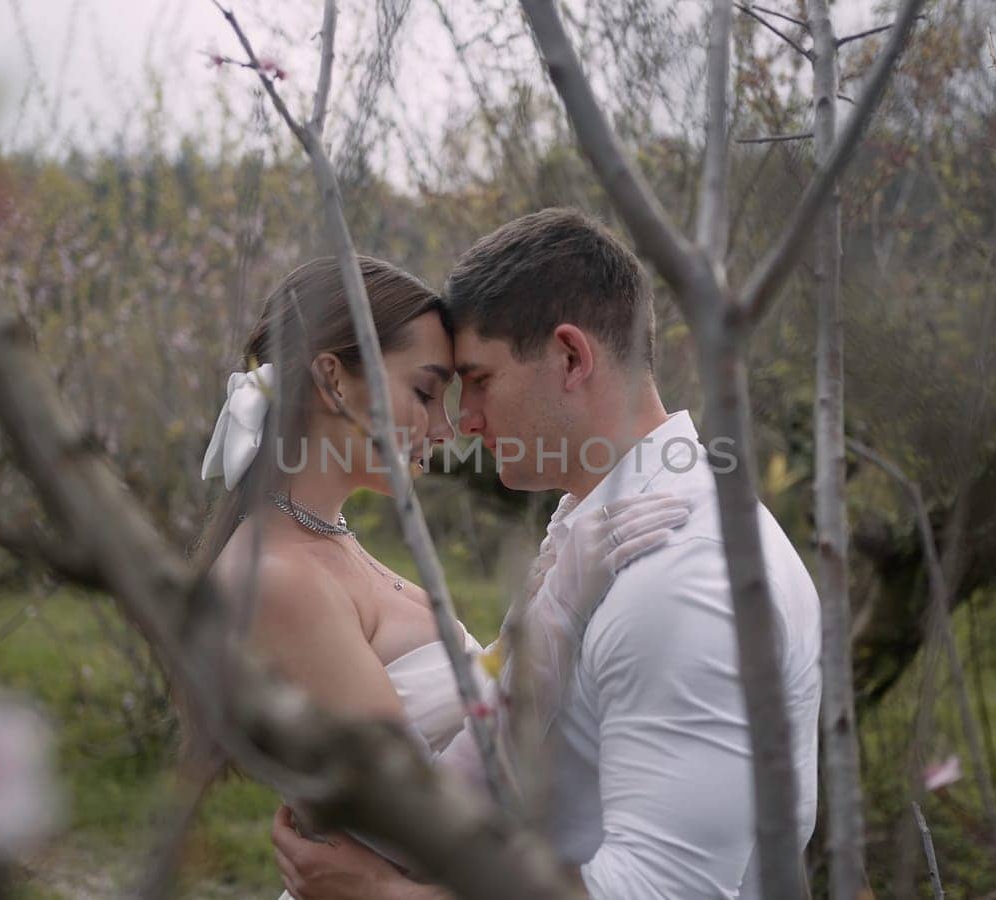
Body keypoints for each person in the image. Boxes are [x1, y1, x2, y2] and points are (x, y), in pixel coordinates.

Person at [269, 209, 823, 899]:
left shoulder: (681, 575)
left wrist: (386, 896)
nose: (463, 420)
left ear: (570, 357)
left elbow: (663, 891)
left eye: (479, 378)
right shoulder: (605, 530)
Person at [192, 254, 691, 898]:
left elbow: (463, 705)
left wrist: (541, 595)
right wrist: (558, 609)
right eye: (425, 392)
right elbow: (419, 817)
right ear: (333, 382)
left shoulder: (329, 544)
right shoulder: (277, 579)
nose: (449, 427)